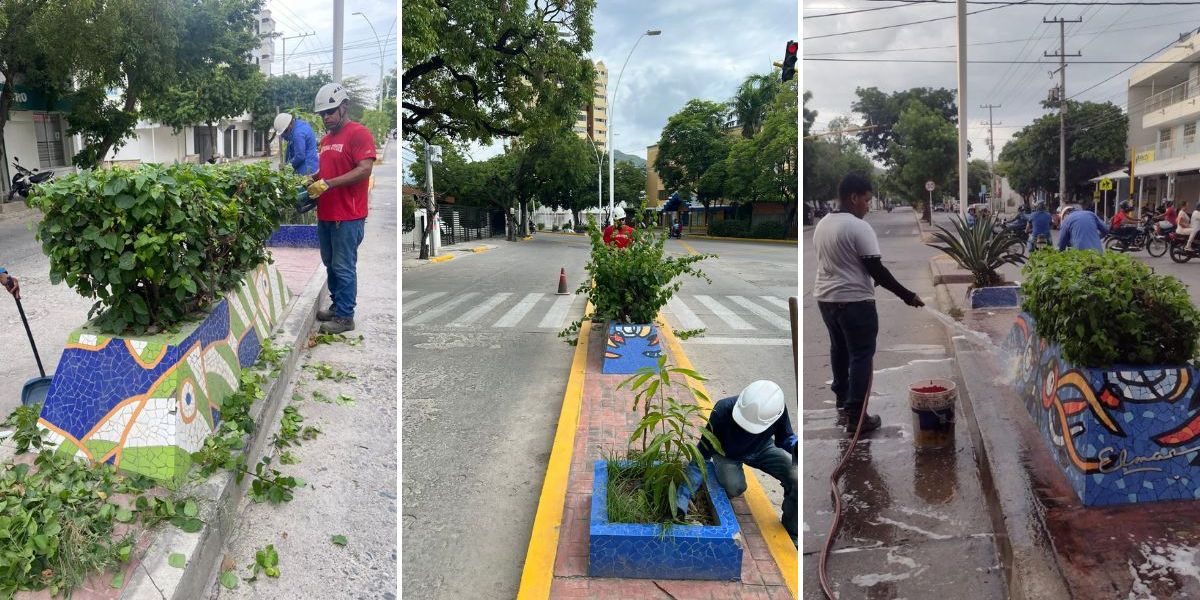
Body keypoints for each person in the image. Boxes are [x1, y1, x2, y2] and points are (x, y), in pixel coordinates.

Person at [813, 173, 925, 434]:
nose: (867, 205)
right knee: (861, 355)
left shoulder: (823, 224)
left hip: (826, 300)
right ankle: (857, 416)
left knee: (839, 350)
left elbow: (845, 265)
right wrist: (908, 296)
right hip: (855, 303)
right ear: (853, 198)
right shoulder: (858, 226)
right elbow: (877, 270)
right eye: (866, 200)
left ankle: (842, 399)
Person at [675, 380, 797, 543]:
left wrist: (796, 445)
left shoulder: (776, 409)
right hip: (727, 454)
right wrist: (682, 498)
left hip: (762, 448)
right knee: (735, 488)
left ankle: (793, 533)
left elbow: (785, 438)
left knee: (796, 478)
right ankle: (709, 483)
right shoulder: (723, 410)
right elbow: (701, 455)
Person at [305, 82, 377, 335]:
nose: (326, 117)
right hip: (326, 214)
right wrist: (313, 179)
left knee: (344, 266)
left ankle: (346, 317)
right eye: (322, 114)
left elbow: (365, 169)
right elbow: (326, 171)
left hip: (347, 216)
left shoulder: (359, 134)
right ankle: (338, 306)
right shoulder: (326, 140)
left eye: (331, 111)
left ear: (344, 106)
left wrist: (329, 183)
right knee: (330, 264)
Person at [274, 112, 319, 178]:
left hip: (306, 170)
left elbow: (300, 156)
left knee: (304, 187)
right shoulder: (300, 124)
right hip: (309, 165)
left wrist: (286, 167)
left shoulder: (298, 134)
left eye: (285, 132)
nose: (284, 135)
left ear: (289, 125)